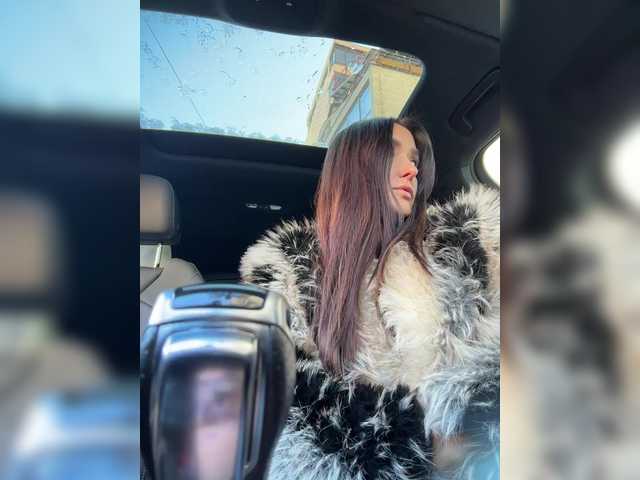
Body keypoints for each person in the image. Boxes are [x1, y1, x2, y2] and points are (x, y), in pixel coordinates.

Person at [240, 117, 500, 479]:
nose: (412, 169)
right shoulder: (287, 273)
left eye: (415, 159)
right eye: (393, 153)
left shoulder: (466, 243)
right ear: (353, 167)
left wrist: (475, 426)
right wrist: (422, 446)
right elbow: (285, 405)